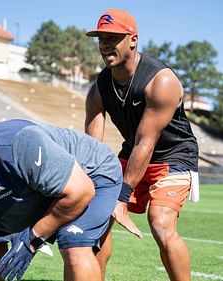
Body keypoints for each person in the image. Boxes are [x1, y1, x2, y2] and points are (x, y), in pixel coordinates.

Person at [85, 9, 199, 281]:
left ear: (133, 40)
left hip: (173, 156)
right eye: (101, 37)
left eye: (113, 37)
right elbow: (92, 146)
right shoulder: (99, 87)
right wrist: (91, 186)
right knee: (97, 221)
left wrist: (122, 196)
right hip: (132, 151)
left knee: (160, 223)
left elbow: (146, 142)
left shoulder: (161, 80)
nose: (105, 44)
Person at [0, 118, 134, 281]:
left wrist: (32, 238)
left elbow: (80, 192)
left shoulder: (19, 144)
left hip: (90, 175)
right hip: (36, 188)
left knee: (74, 243)